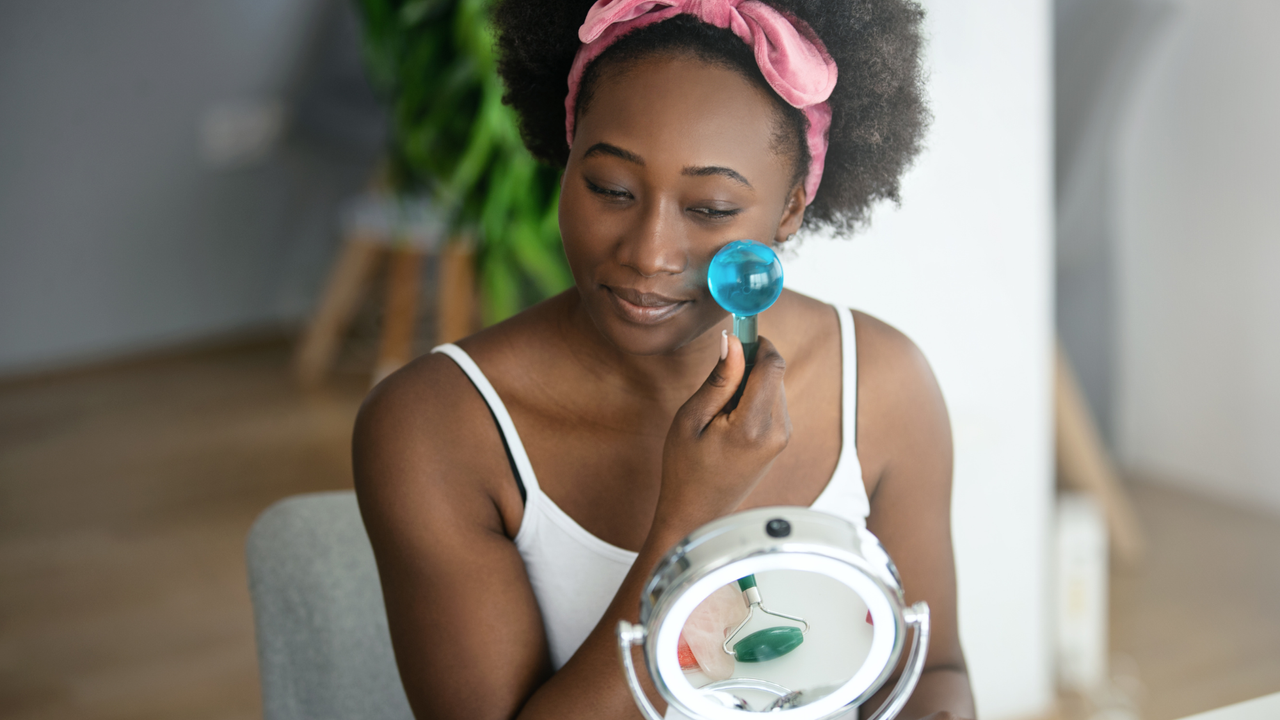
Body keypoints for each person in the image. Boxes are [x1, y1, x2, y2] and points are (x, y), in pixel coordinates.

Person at [353, 1, 974, 718]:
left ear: (791, 210)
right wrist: (688, 519)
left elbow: (936, 673)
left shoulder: (883, 385)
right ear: (567, 154)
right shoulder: (436, 429)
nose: (648, 253)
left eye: (709, 208)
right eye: (611, 190)